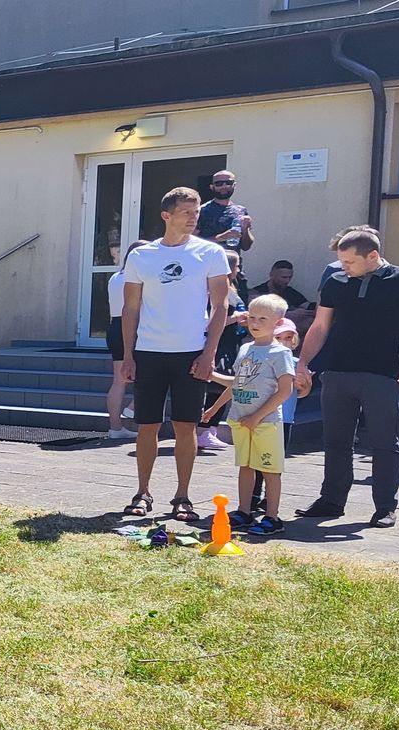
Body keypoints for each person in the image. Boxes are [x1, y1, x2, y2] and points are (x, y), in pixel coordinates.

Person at [294, 228, 399, 527]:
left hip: (382, 375)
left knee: (384, 443)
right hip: (337, 371)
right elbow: (320, 326)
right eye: (341, 261)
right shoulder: (335, 281)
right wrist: (303, 362)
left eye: (349, 261)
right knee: (335, 440)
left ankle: (385, 507)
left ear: (373, 256)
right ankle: (331, 501)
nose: (343, 266)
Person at [119, 187, 235, 523]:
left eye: (196, 212)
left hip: (191, 354)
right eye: (186, 212)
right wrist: (128, 355)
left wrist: (209, 353)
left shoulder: (210, 252)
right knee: (147, 426)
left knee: (186, 427)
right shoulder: (142, 256)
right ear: (166, 216)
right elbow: (130, 308)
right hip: (149, 352)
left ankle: (182, 496)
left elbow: (221, 306)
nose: (193, 218)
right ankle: (142, 492)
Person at [202, 295, 297, 535]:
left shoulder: (280, 353)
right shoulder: (245, 349)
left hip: (266, 424)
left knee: (270, 470)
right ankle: (244, 511)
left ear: (277, 322)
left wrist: (256, 417)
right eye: (252, 317)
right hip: (241, 421)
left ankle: (272, 517)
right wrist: (214, 405)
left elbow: (285, 391)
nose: (255, 323)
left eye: (263, 319)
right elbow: (237, 383)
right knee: (245, 466)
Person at [196, 250, 251, 450]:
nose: (239, 270)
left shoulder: (233, 288)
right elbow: (209, 322)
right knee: (217, 385)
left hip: (230, 342)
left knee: (224, 386)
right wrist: (235, 318)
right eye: (236, 266)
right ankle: (203, 430)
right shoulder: (213, 291)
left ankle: (210, 429)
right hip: (217, 344)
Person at [106, 241, 145, 440]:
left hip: (114, 326)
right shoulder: (136, 279)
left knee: (118, 381)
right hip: (132, 326)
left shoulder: (115, 277)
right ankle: (133, 407)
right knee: (148, 374)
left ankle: (115, 427)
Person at [196, 169, 254, 254]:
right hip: (208, 260)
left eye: (228, 183)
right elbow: (191, 243)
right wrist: (220, 238)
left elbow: (246, 247)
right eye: (219, 183)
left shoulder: (241, 211)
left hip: (233, 261)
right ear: (212, 187)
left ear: (234, 185)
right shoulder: (201, 211)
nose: (224, 186)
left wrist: (245, 230)